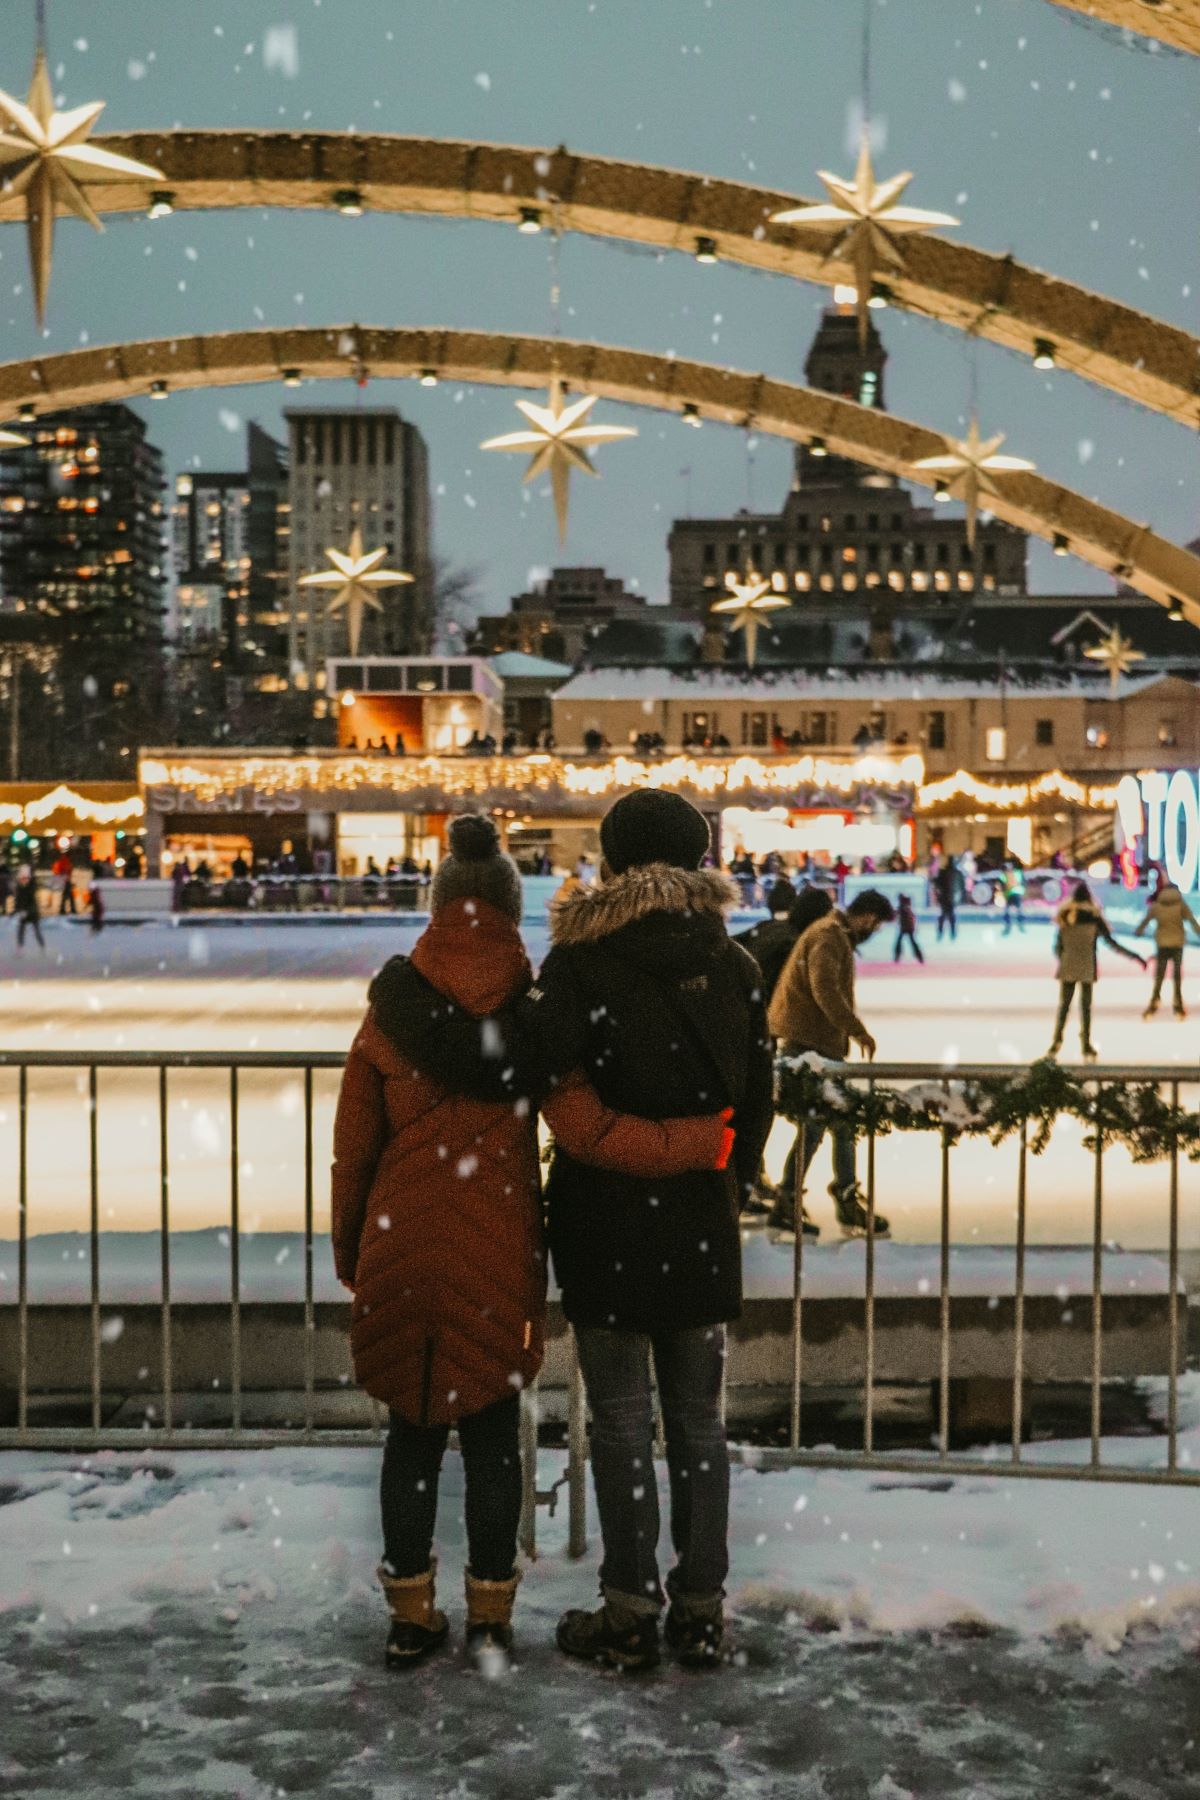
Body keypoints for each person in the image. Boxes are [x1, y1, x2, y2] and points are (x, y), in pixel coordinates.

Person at [378, 790, 775, 1671]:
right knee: (699, 1427)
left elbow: (508, 1066)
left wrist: (406, 1004)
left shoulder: (585, 965)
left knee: (624, 1425)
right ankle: (701, 1608)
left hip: (607, 1222)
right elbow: (756, 1106)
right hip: (702, 1223)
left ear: (614, 859)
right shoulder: (736, 965)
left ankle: (630, 1609)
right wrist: (717, 1179)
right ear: (698, 857)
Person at [766, 889, 896, 1237]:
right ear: (867, 916)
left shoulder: (831, 933)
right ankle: (792, 1199)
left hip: (816, 1043)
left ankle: (841, 1195)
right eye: (877, 924)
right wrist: (857, 1030)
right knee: (818, 1122)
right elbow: (823, 988)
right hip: (809, 1046)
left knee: (839, 1122)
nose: (874, 930)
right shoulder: (828, 935)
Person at [735, 882, 834, 1226]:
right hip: (755, 1032)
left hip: (743, 1027)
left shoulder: (768, 929)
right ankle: (744, 1185)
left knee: (750, 1109)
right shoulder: (793, 942)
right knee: (756, 1108)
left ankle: (749, 1183)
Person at [1048, 881, 1146, 1060]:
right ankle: (1085, 1044)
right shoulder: (1094, 917)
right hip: (1087, 967)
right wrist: (1135, 956)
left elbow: (1057, 947)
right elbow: (1112, 944)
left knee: (1064, 1006)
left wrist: (1064, 959)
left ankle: (1056, 1042)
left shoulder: (1064, 915)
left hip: (1068, 967)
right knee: (1085, 1008)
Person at [1135, 871, 1200, 1019]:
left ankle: (1154, 1001)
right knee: (1177, 976)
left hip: (1162, 943)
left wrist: (1138, 931)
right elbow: (1192, 921)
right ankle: (1178, 1006)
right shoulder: (1180, 905)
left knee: (1159, 975)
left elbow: (1146, 920)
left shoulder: (1158, 905)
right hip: (1177, 943)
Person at [13, 865, 45, 950]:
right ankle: (19, 948)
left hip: (33, 914)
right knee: (21, 930)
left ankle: (42, 947)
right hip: (23, 914)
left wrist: (27, 911)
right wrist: (15, 911)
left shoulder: (31, 888)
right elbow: (18, 901)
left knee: (36, 931)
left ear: (28, 878)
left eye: (26, 878)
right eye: (22, 878)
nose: (24, 880)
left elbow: (32, 904)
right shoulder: (19, 888)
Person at [893, 893, 924, 964]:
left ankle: (897, 956)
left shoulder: (903, 908)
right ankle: (919, 957)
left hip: (906, 928)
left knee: (901, 942)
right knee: (911, 942)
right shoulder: (907, 907)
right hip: (908, 928)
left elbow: (895, 914)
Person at [933, 857, 959, 941]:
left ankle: (944, 933)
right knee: (949, 916)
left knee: (945, 915)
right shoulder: (953, 873)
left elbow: (936, 882)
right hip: (948, 897)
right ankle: (951, 933)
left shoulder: (944, 872)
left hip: (945, 897)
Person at [1002, 859, 1026, 935]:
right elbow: (1023, 883)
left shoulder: (1006, 874)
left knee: (1010, 911)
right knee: (1017, 910)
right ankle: (1019, 925)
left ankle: (1010, 926)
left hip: (1012, 894)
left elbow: (1002, 885)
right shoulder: (1018, 873)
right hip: (1015, 894)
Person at [52, 850, 77, 915]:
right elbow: (65, 871)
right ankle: (71, 909)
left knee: (66, 896)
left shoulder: (64, 861)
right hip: (65, 881)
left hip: (65, 880)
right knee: (69, 896)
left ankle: (64, 909)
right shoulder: (65, 862)